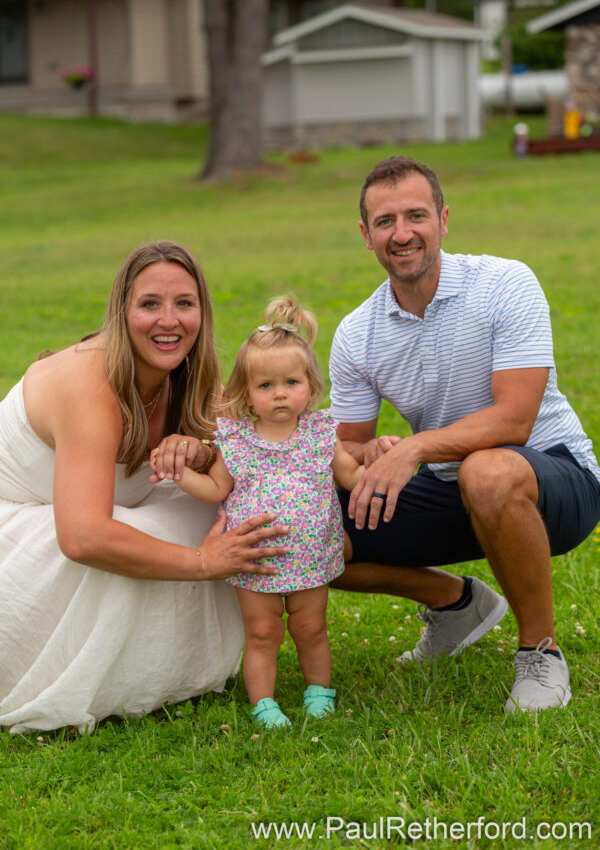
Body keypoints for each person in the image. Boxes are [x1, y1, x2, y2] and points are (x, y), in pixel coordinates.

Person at [329, 156, 600, 713]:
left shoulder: (505, 282)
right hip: (454, 487)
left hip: (553, 476)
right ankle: (457, 607)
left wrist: (414, 447)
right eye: (385, 222)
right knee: (307, 520)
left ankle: (541, 653)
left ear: (443, 220)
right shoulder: (357, 332)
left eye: (415, 215)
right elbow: (344, 446)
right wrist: (370, 450)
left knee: (489, 469)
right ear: (366, 235)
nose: (401, 234)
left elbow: (515, 420)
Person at [0, 241, 291, 735]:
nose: (169, 321)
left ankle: (161, 667)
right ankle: (86, 673)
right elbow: (83, 537)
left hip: (92, 509)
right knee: (161, 535)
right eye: (149, 304)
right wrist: (204, 563)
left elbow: (251, 449)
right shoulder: (90, 382)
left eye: (184, 303)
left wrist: (199, 450)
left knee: (218, 508)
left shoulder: (190, 373)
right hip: (22, 527)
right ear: (121, 312)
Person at [153, 297, 364, 729]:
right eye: (265, 386)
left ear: (311, 385)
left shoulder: (322, 435)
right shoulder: (237, 442)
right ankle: (264, 704)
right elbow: (215, 488)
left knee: (311, 629)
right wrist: (179, 476)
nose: (280, 393)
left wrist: (381, 464)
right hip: (255, 561)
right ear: (247, 395)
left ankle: (318, 691)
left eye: (291, 381)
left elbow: (351, 477)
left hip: (311, 557)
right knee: (263, 633)